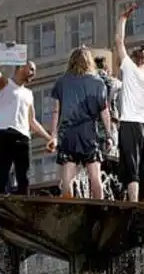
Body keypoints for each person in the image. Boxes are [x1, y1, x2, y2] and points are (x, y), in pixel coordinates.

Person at [48, 47, 114, 200]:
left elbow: (55, 111)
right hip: (89, 133)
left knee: (67, 179)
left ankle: (70, 209)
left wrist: (53, 135)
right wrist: (109, 135)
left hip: (68, 134)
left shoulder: (61, 82)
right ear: (89, 62)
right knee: (95, 177)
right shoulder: (98, 83)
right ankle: (100, 210)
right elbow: (105, 112)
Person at [0, 59, 56, 195]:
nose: (34, 74)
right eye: (32, 69)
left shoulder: (29, 94)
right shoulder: (4, 84)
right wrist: (2, 56)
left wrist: (49, 138)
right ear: (21, 67)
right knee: (1, 176)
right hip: (4, 135)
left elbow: (32, 121)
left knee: (24, 178)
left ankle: (22, 207)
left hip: (22, 137)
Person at [114, 2, 144, 203]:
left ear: (134, 60)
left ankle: (134, 205)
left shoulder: (130, 70)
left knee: (131, 171)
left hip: (129, 123)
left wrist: (123, 19)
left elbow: (118, 41)